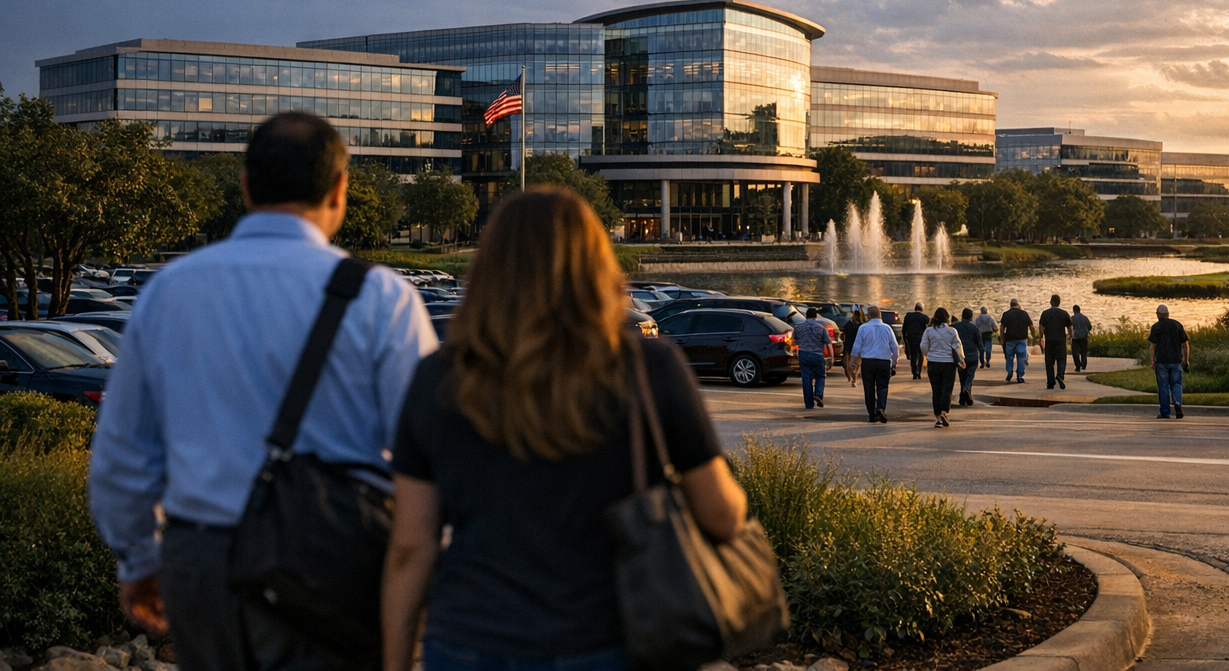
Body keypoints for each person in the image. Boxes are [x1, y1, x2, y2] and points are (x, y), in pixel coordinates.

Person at [89, 112, 437, 671]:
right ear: (340, 188)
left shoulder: (170, 291)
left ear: (246, 186)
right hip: (335, 562)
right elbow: (426, 458)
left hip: (202, 562)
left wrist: (138, 559)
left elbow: (122, 455)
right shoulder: (383, 300)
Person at [382, 188, 747, 671]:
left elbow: (411, 545)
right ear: (597, 266)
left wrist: (395, 660)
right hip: (612, 638)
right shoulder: (648, 368)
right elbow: (721, 516)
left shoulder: (439, 378)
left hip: (470, 638)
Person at [849, 305, 900, 423]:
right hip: (883, 361)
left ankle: (871, 414)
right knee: (882, 386)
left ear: (869, 315)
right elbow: (895, 347)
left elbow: (856, 347)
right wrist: (894, 363)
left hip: (868, 361)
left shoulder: (863, 328)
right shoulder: (887, 328)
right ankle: (880, 408)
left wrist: (853, 362)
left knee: (869, 388)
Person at [920, 308, 964, 428]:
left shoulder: (929, 331)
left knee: (936, 390)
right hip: (949, 363)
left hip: (933, 362)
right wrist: (961, 360)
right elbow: (958, 347)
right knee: (947, 389)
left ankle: (938, 416)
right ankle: (944, 412)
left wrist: (928, 354)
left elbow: (923, 346)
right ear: (947, 318)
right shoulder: (952, 331)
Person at [1148, 303, 1190, 420]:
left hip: (1161, 361)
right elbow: (1184, 344)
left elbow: (1153, 346)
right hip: (1176, 360)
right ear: (1168, 314)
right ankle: (1177, 403)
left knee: (1163, 386)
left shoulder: (1156, 327)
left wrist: (1152, 361)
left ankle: (1165, 412)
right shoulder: (1177, 325)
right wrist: (1185, 360)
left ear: (1158, 314)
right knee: (1176, 384)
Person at [794, 307, 834, 409]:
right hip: (817, 355)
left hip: (803, 354)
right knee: (820, 375)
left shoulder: (798, 327)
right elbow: (828, 344)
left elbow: (794, 341)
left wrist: (795, 352)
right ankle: (818, 393)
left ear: (806, 316)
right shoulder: (821, 328)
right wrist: (831, 357)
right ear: (816, 316)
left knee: (806, 378)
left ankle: (809, 404)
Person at [1038, 295, 1072, 390]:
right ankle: (1060, 376)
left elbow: (1041, 327)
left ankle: (1050, 383)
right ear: (1059, 302)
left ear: (1050, 302)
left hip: (1049, 340)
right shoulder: (1064, 313)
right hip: (1060, 340)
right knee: (1061, 359)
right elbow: (1070, 326)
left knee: (1049, 362)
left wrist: (1041, 337)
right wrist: (1070, 336)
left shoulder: (1045, 313)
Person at [999, 298, 1033, 384]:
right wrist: (1034, 336)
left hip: (1010, 339)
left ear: (1010, 305)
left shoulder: (1006, 314)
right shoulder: (1024, 314)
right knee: (1021, 357)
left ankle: (1010, 372)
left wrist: (1003, 339)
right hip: (1022, 338)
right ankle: (1020, 376)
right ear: (1018, 304)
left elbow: (1002, 327)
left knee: (1009, 356)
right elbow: (1031, 326)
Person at [954, 308, 983, 406]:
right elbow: (980, 345)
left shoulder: (955, 327)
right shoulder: (974, 328)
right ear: (971, 317)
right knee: (970, 375)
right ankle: (966, 389)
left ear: (962, 316)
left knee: (962, 376)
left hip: (960, 355)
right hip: (972, 354)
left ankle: (963, 396)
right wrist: (983, 360)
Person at [901, 302, 930, 379]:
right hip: (921, 337)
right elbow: (927, 329)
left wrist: (904, 338)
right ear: (922, 309)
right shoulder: (925, 317)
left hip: (911, 337)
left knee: (913, 355)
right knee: (920, 355)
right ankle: (919, 372)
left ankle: (914, 372)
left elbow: (904, 328)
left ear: (915, 308)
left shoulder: (908, 316)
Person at [841, 306, 863, 384]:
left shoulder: (849, 324)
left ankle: (852, 377)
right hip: (856, 346)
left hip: (849, 345)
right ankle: (853, 378)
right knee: (856, 364)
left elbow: (844, 334)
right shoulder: (861, 326)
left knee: (849, 363)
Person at [1070, 305, 1093, 372]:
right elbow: (1090, 327)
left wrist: (1070, 336)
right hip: (1084, 337)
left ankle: (1078, 365)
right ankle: (1083, 364)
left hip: (1075, 337)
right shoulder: (1085, 318)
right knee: (1083, 352)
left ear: (1074, 310)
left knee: (1075, 352)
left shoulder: (1072, 318)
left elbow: (1070, 327)